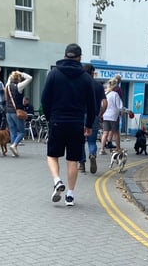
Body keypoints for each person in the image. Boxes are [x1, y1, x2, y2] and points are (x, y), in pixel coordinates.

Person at [41, 43, 95, 207]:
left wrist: (50, 117)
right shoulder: (86, 77)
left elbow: (45, 99)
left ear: (65, 55)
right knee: (73, 159)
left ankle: (57, 181)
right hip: (77, 123)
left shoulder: (54, 74)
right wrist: (89, 124)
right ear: (80, 58)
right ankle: (70, 196)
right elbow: (92, 104)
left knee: (52, 155)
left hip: (57, 120)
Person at [79, 63, 107, 174]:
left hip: (80, 116)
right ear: (92, 73)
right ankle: (92, 154)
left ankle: (81, 164)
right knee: (91, 141)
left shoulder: (79, 85)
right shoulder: (98, 86)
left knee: (80, 141)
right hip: (93, 116)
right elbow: (105, 103)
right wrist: (100, 114)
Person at [5, 70, 32, 156]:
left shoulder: (7, 86)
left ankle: (14, 151)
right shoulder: (19, 86)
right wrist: (21, 73)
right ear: (19, 79)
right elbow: (30, 78)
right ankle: (14, 145)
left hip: (8, 112)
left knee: (12, 131)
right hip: (16, 112)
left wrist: (12, 74)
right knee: (21, 132)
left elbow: (9, 79)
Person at [99, 78, 123, 155]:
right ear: (115, 86)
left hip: (105, 115)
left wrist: (101, 114)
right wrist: (125, 111)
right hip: (113, 116)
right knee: (115, 133)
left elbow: (102, 104)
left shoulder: (105, 93)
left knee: (105, 133)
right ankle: (118, 148)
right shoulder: (115, 94)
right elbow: (120, 106)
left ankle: (102, 149)